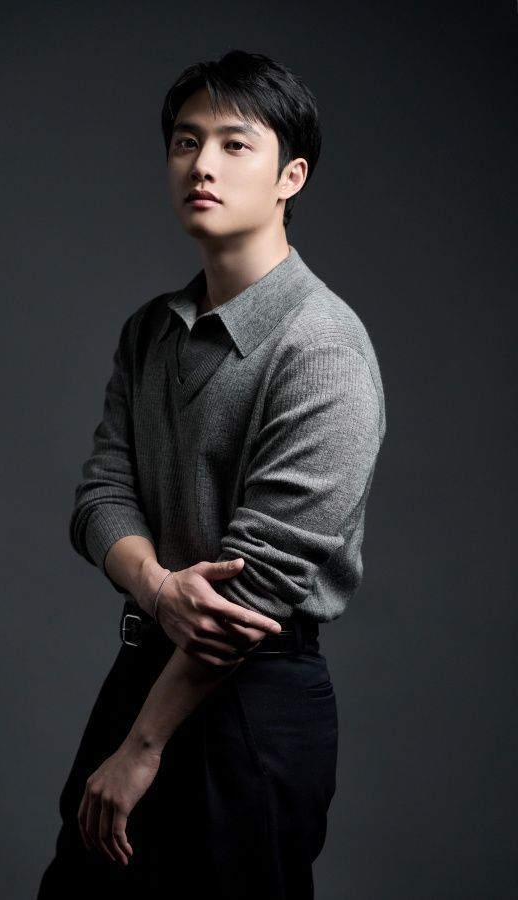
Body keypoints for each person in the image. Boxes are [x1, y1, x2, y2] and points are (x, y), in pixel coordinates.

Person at [37, 49, 386, 900]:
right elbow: (99, 498)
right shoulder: (150, 332)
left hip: (250, 706)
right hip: (142, 672)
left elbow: (254, 588)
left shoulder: (323, 348)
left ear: (290, 177)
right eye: (186, 142)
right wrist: (158, 590)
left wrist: (142, 748)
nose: (202, 165)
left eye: (235, 144)